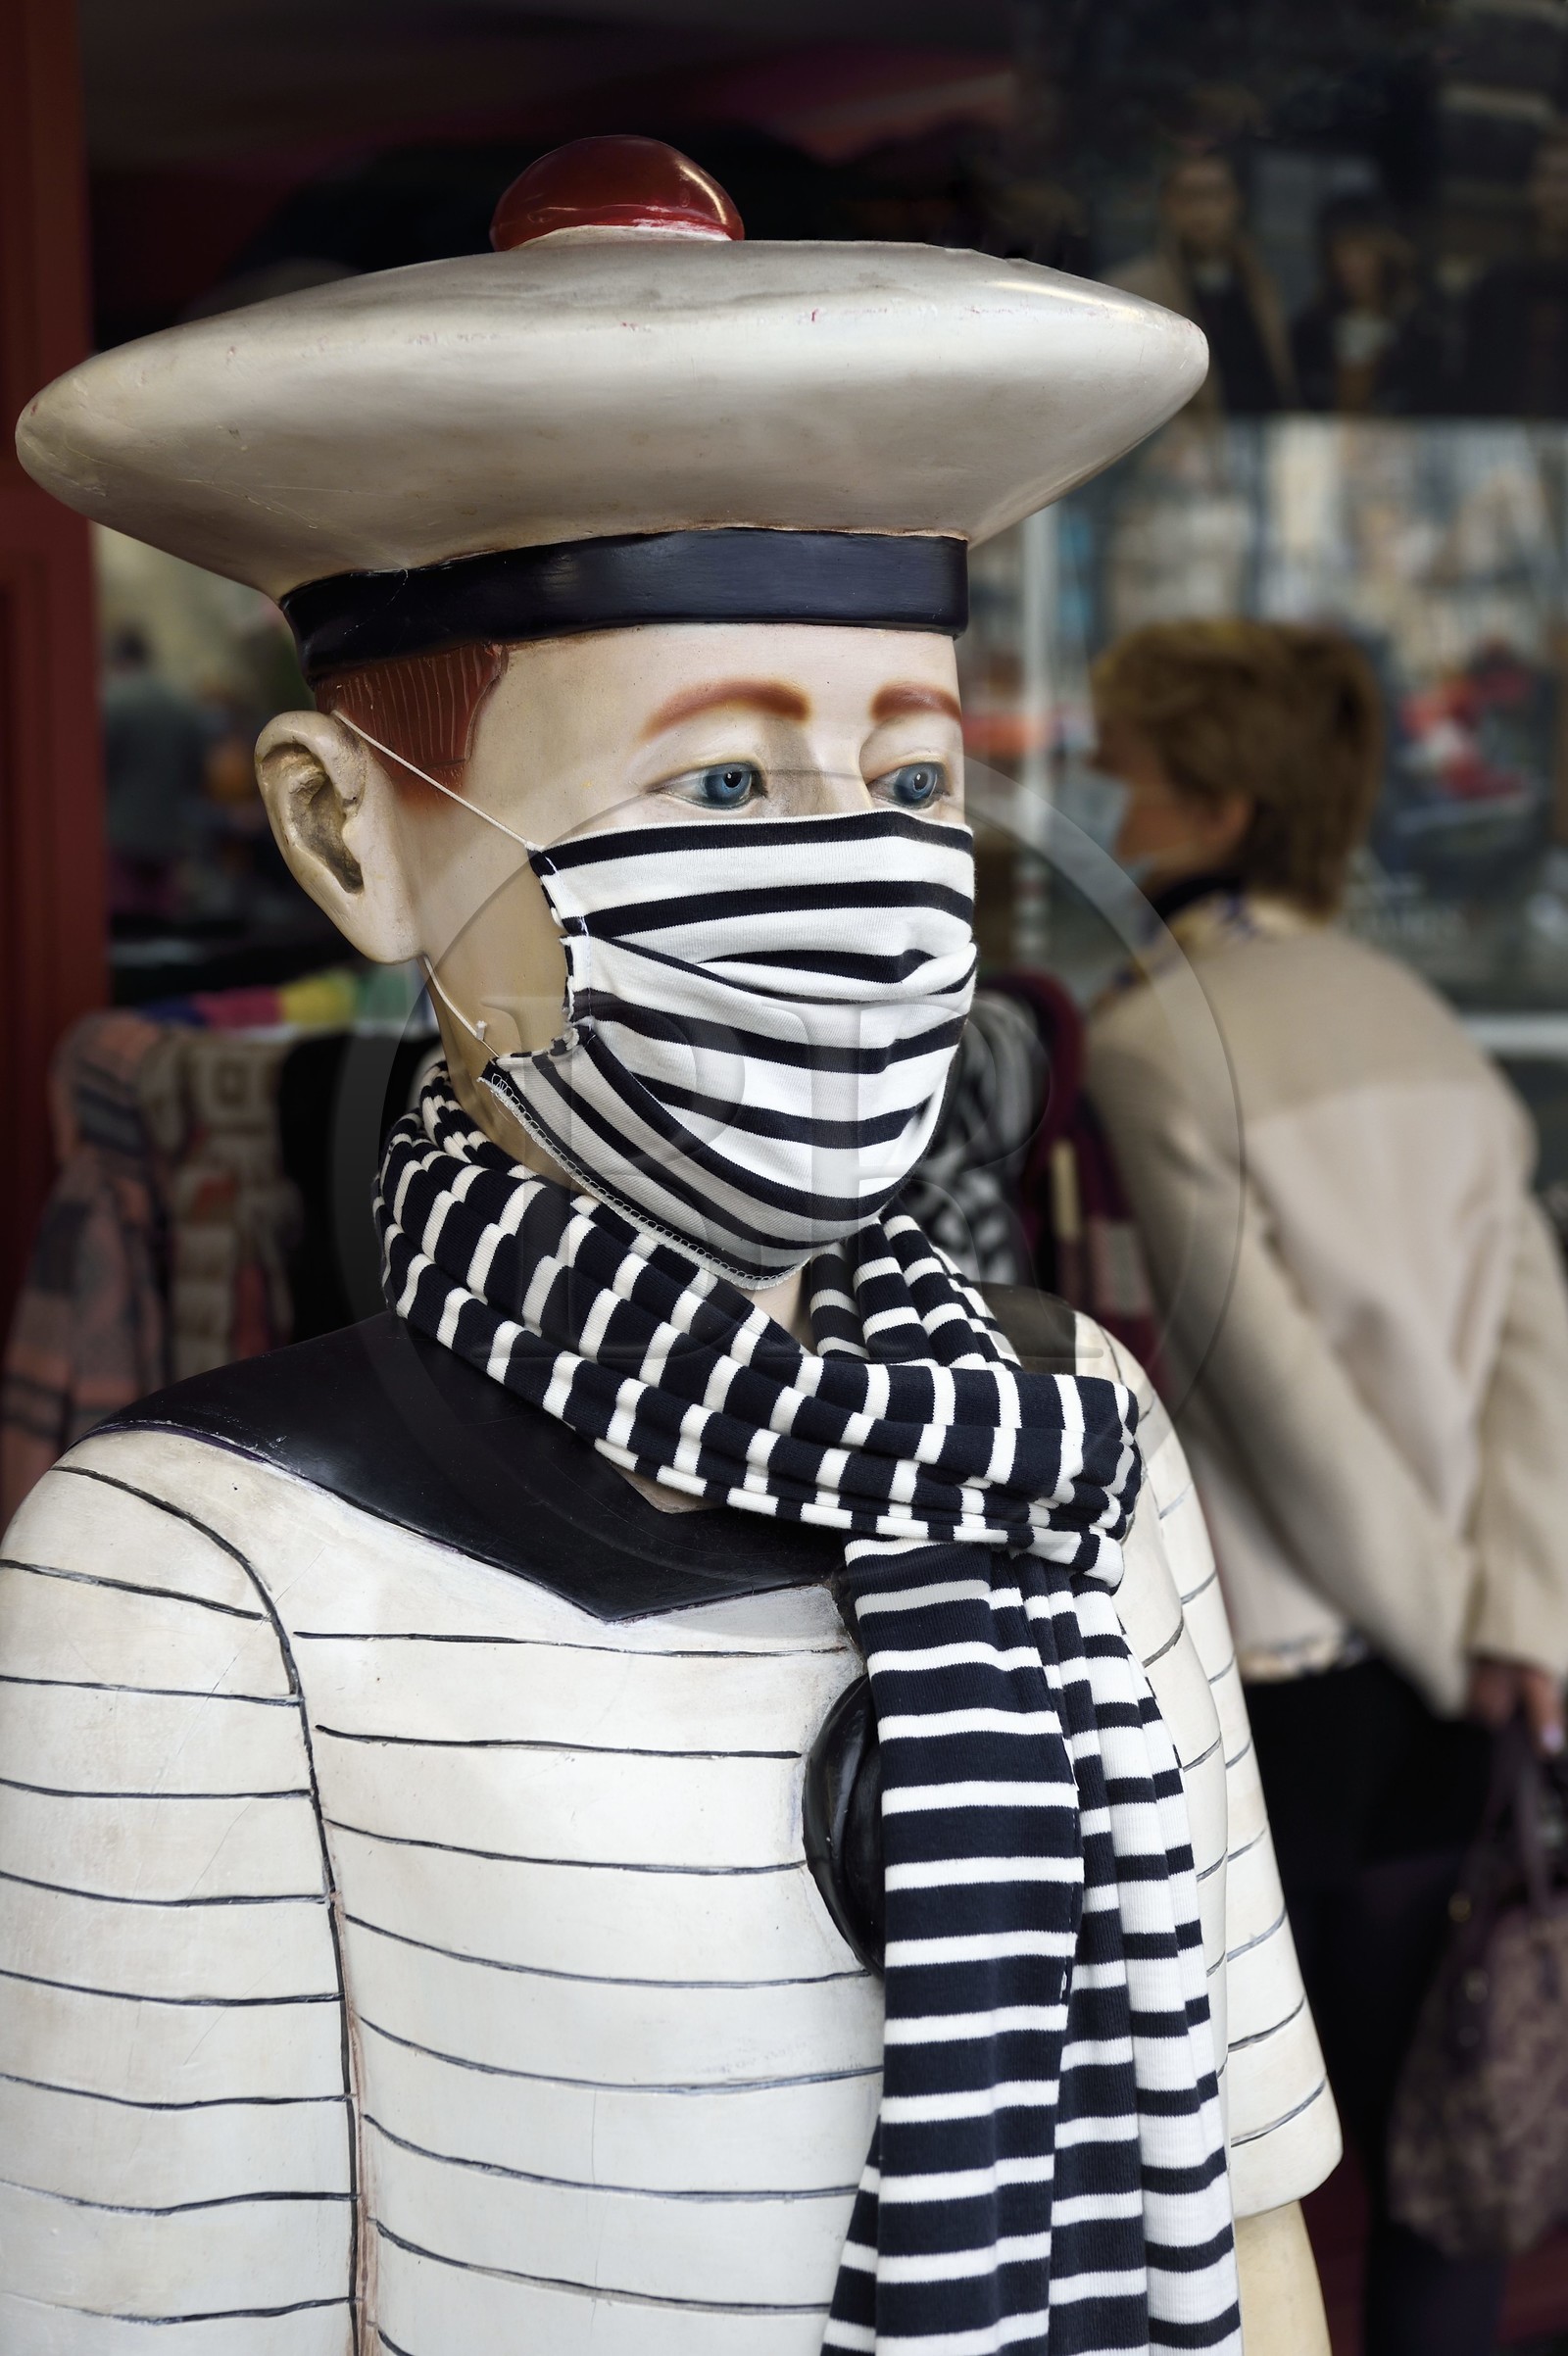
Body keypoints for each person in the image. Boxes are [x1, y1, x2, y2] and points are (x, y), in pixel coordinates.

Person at [8, 137, 1337, 2353]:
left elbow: (1252, 2223)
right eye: (718, 791)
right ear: (356, 840)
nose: (855, 892)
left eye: (906, 787)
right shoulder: (186, 1590)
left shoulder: (1068, 1447)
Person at [1084, 616, 1568, 2356]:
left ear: (1214, 805)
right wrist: (1517, 1627)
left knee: (1267, 2163)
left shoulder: (1152, 1042)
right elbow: (1539, 1357)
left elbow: (1273, 1402)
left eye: (1126, 771)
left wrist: (1456, 1640)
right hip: (1468, 1674)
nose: (1098, 799)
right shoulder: (1427, 1024)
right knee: (1452, 2153)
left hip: (1297, 1693)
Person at [1110, 151, 1296, 417]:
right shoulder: (1131, 292)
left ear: (1236, 202)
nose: (1203, 210)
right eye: (1189, 196)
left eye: (1215, 195)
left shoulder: (1260, 284)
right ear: (1167, 204)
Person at [1291, 195, 1445, 416]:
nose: (1349, 264)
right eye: (1340, 250)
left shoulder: (1420, 330)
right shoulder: (1310, 331)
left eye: (1362, 249)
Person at [100, 623, 209, 917]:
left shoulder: (111, 700)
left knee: (124, 922)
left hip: (118, 831)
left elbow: (98, 768)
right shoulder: (180, 704)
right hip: (168, 832)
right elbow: (196, 771)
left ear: (117, 658)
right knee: (163, 920)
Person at [1463, 129, 1568, 416]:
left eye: (1565, 179)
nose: (1556, 193)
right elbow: (1472, 385)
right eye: (1546, 177)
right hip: (1501, 443)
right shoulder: (1496, 283)